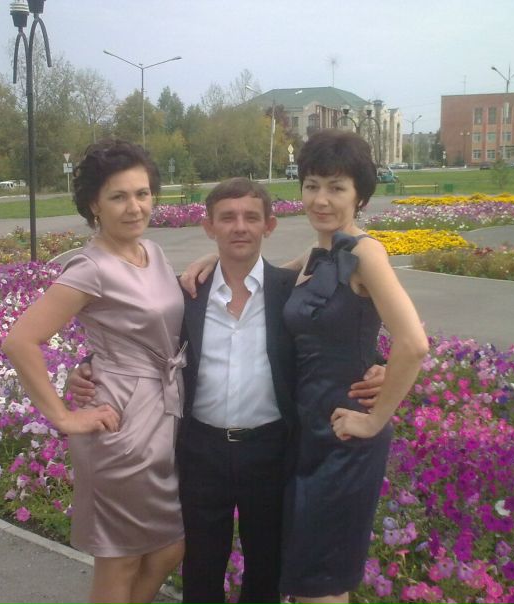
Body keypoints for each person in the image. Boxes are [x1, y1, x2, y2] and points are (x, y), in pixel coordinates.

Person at [67, 177, 385, 604]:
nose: (240, 227)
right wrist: (87, 367)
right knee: (201, 568)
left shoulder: (289, 290)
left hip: (270, 449)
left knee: (265, 571)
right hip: (202, 450)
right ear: (208, 227)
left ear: (269, 226)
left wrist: (378, 366)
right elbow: (137, 339)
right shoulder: (185, 293)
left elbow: (333, 337)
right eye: (227, 218)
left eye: (251, 217)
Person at [182, 130, 428, 603]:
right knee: (306, 578)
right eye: (312, 185)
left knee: (321, 584)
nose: (321, 199)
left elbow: (414, 343)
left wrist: (375, 419)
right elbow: (266, 273)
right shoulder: (320, 255)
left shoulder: (365, 253)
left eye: (336, 187)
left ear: (360, 195)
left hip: (343, 437)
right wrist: (213, 257)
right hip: (307, 437)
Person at [2, 139, 186, 604]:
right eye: (118, 196)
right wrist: (64, 417)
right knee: (121, 559)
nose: (134, 207)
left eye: (142, 193)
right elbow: (20, 341)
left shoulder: (152, 253)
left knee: (168, 550)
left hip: (164, 417)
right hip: (121, 425)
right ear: (94, 206)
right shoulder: (91, 267)